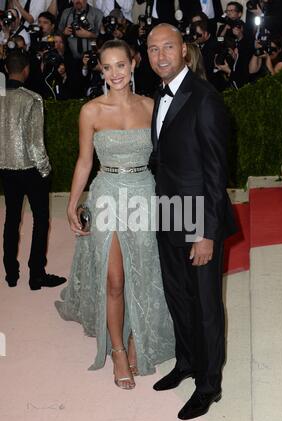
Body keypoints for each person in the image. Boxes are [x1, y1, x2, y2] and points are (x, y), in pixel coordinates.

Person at [55, 39, 174, 390]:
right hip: (106, 193)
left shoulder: (153, 107)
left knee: (145, 270)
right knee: (116, 280)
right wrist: (73, 202)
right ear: (101, 70)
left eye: (120, 65)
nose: (114, 74)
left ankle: (137, 337)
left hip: (144, 194)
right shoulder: (91, 111)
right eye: (107, 67)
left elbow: (169, 158)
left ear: (133, 64)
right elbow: (84, 161)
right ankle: (118, 350)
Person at [147, 24, 236, 420]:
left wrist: (206, 233)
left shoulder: (205, 99)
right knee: (177, 295)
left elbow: (217, 173)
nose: (161, 55)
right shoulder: (158, 95)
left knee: (205, 305)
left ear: (184, 50)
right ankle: (186, 362)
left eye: (168, 47)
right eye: (153, 49)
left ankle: (209, 384)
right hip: (167, 212)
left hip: (198, 217)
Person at [0, 49, 67, 290]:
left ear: (7, 69)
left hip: (5, 169)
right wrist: (46, 169)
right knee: (40, 219)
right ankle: (36, 276)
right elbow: (36, 142)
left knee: (11, 219)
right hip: (31, 169)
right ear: (26, 70)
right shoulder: (32, 99)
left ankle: (11, 274)